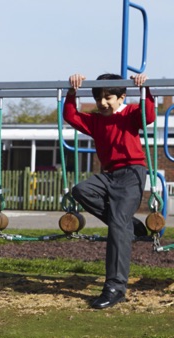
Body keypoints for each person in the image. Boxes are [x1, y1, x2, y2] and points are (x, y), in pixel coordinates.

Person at [64, 72, 154, 309]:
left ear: (122, 96)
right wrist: (73, 91)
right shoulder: (95, 121)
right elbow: (70, 115)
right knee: (82, 190)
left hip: (132, 173)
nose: (102, 103)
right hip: (109, 174)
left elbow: (150, 115)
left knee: (117, 226)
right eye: (98, 98)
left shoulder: (132, 113)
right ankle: (131, 225)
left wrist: (144, 90)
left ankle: (115, 288)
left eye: (108, 97)